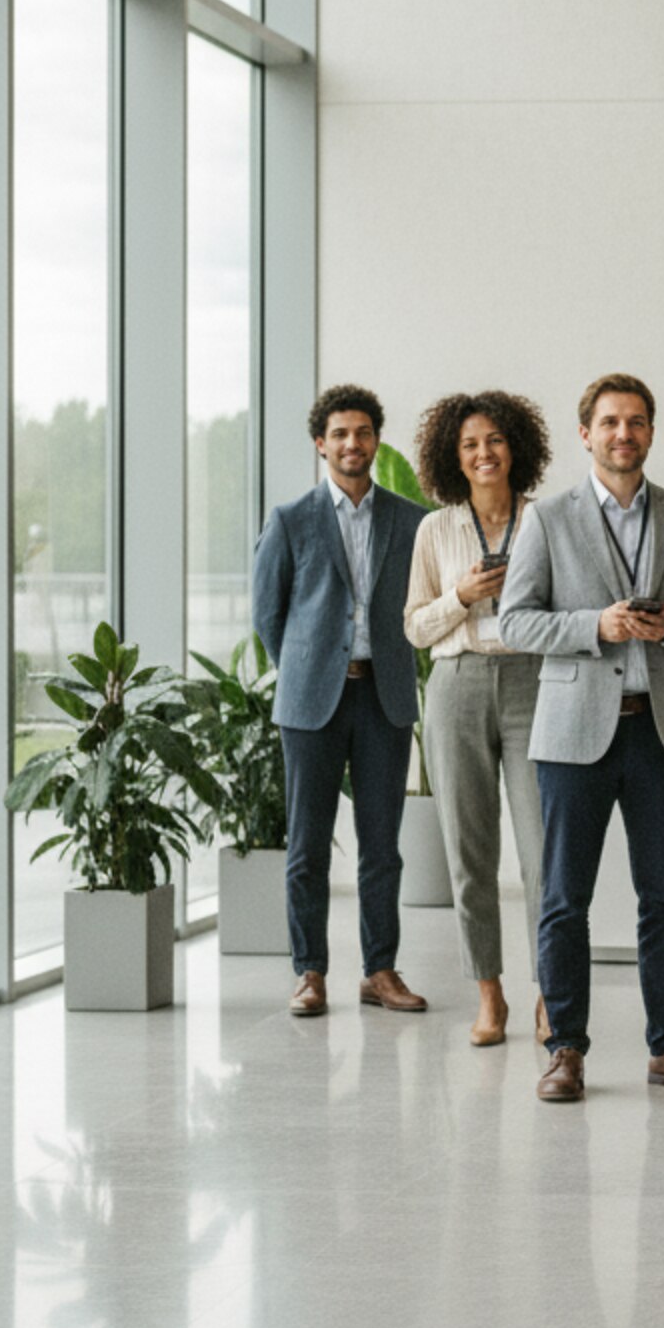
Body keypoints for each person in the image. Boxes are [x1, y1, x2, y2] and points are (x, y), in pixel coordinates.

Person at [496, 373, 664, 1102]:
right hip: (571, 737)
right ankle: (565, 1048)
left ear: (651, 433)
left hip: (660, 730)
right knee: (564, 899)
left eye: (637, 422)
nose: (623, 434)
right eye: (610, 422)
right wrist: (598, 625)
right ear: (585, 433)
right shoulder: (548, 518)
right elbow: (516, 622)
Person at [252, 385, 429, 1019]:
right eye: (340, 434)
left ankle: (379, 971)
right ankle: (310, 973)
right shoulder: (290, 520)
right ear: (320, 444)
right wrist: (307, 669)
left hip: (384, 698)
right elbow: (267, 615)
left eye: (363, 432)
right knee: (307, 845)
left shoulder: (410, 521)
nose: (352, 444)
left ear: (376, 440)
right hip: (311, 706)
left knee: (382, 846)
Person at [405, 390, 555, 1047]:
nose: (484, 453)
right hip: (457, 684)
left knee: (544, 854)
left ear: (515, 446)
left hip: (533, 682)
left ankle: (551, 993)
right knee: (469, 853)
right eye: (470, 445)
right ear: (453, 458)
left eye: (493, 440)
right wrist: (461, 597)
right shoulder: (436, 530)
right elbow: (414, 626)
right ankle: (489, 996)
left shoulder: (545, 521)